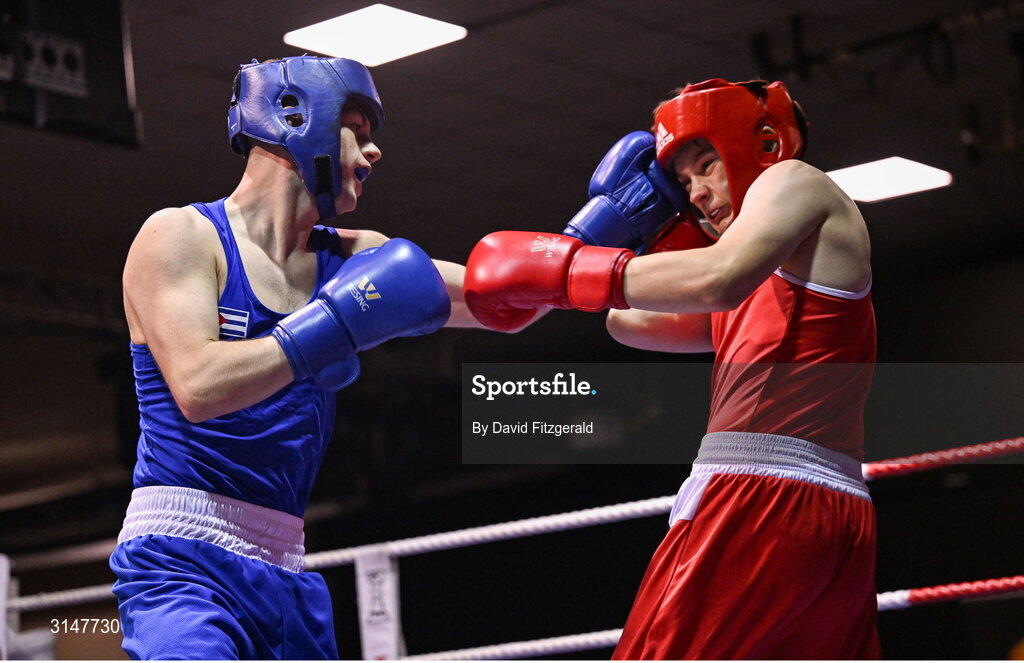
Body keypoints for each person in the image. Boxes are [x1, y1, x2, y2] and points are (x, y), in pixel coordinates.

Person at [462, 78, 879, 659]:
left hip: (756, 494)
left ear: (762, 145)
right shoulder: (761, 277)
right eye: (683, 184)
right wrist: (644, 231)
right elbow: (629, 322)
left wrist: (563, 266)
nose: (699, 193)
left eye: (707, 166)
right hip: (837, 512)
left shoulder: (795, 182)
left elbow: (714, 277)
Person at [110, 55, 479, 659]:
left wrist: (596, 250)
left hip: (285, 561)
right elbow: (199, 386)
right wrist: (331, 325)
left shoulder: (360, 257)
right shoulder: (180, 237)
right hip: (180, 560)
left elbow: (502, 299)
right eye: (357, 131)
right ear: (297, 118)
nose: (375, 151)